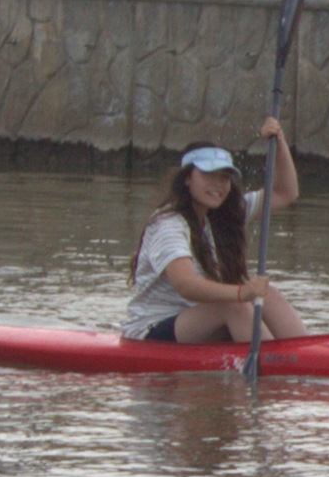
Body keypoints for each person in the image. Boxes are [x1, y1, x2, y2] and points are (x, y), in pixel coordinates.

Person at [121, 117, 307, 346]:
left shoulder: (223, 214)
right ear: (187, 178)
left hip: (199, 320)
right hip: (151, 330)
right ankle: (278, 370)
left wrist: (279, 143)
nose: (218, 185)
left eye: (225, 178)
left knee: (268, 295)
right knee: (235, 305)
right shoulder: (168, 224)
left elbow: (285, 193)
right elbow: (186, 284)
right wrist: (242, 292)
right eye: (209, 175)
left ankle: (310, 356)